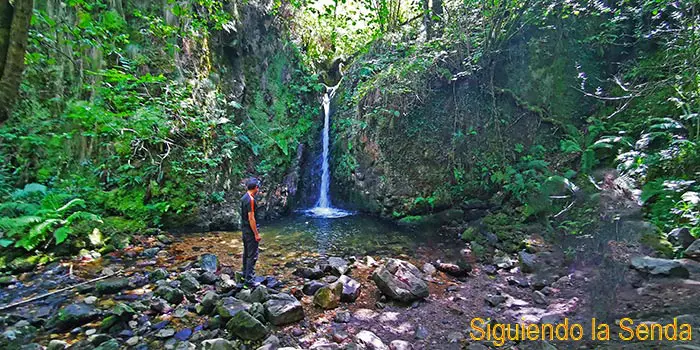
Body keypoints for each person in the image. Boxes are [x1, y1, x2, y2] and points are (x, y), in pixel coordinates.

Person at [240, 178, 261, 287]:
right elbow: (251, 218)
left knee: (247, 253)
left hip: (244, 230)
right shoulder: (251, 200)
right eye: (258, 187)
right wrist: (256, 234)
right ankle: (249, 281)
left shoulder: (244, 197)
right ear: (256, 188)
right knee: (252, 255)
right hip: (250, 231)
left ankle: (244, 275)